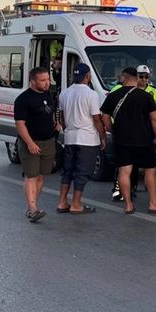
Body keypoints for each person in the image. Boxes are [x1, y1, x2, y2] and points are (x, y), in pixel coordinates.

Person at [100, 67, 156, 215]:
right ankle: (154, 204)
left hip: (122, 140)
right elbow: (155, 119)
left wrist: (113, 130)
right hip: (144, 139)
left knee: (124, 171)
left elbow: (105, 117)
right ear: (137, 78)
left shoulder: (113, 96)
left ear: (124, 78)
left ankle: (128, 205)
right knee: (149, 170)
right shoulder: (145, 96)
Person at [109, 64, 156, 200]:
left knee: (136, 167)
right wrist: (112, 129)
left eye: (146, 77)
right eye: (141, 76)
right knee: (125, 167)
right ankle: (120, 192)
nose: (144, 79)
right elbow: (107, 109)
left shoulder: (152, 91)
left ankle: (130, 197)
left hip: (140, 134)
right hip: (129, 134)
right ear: (135, 77)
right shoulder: (118, 89)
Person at [56, 63, 105, 214]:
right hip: (87, 139)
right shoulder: (91, 94)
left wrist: (67, 129)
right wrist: (103, 136)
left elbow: (62, 116)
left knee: (68, 171)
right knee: (82, 172)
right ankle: (76, 204)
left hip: (70, 138)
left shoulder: (64, 93)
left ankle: (62, 202)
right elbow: (96, 119)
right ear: (87, 76)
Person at [14, 67, 60, 223]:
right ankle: (33, 209)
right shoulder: (23, 99)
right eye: (43, 80)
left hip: (48, 142)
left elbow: (50, 112)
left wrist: (56, 124)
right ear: (33, 81)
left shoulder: (48, 94)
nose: (47, 83)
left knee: (40, 176)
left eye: (48, 79)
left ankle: (33, 206)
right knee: (31, 176)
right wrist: (30, 143)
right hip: (31, 143)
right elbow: (20, 124)